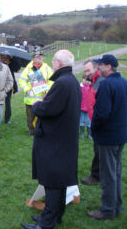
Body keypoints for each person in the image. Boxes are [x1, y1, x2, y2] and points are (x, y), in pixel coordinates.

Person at [20, 50, 81, 229]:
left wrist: (39, 104)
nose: (52, 63)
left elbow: (47, 109)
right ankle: (55, 215)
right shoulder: (71, 81)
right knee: (59, 182)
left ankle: (47, 223)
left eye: (53, 61)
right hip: (63, 138)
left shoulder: (62, 83)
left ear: (59, 63)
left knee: (52, 181)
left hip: (55, 140)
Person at [87, 54, 127, 221]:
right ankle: (116, 207)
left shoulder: (106, 85)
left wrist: (95, 128)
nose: (98, 67)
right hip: (120, 136)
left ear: (109, 67)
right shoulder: (123, 82)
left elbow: (102, 113)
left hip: (108, 137)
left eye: (100, 65)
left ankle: (107, 210)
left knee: (108, 175)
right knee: (116, 172)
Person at [80, 60, 104, 186]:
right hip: (94, 120)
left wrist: (98, 122)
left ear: (96, 68)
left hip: (100, 122)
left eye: (88, 70)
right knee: (98, 150)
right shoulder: (94, 81)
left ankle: (97, 177)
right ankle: (98, 175)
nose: (86, 73)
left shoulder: (101, 82)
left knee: (100, 151)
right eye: (85, 71)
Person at [19, 49, 53, 135]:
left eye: (41, 56)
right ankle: (31, 131)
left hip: (42, 98)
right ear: (33, 58)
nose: (40, 58)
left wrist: (47, 90)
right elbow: (22, 80)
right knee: (30, 116)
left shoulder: (47, 68)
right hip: (30, 98)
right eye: (38, 57)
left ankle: (40, 130)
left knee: (41, 116)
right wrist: (27, 89)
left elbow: (52, 81)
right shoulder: (28, 68)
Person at [2, 55, 21, 124]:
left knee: (7, 102)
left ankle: (7, 119)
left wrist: (13, 58)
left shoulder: (10, 62)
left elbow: (17, 68)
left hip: (9, 85)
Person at [80, 75, 92, 139]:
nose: (86, 81)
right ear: (82, 79)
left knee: (89, 122)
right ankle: (82, 133)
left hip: (89, 109)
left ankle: (89, 134)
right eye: (85, 79)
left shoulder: (91, 87)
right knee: (81, 121)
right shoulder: (80, 87)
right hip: (81, 108)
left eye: (88, 80)